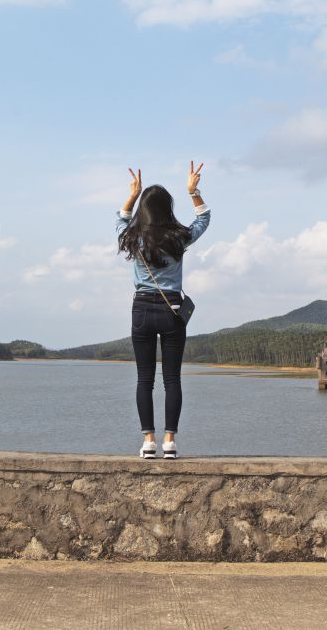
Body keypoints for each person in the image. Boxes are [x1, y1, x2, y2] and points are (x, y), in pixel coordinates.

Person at [116, 161, 210, 459]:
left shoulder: (133, 238)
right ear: (168, 209)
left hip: (142, 308)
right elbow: (203, 219)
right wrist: (193, 192)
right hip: (172, 309)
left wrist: (133, 195)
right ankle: (170, 442)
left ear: (144, 210)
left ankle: (149, 442)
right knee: (172, 379)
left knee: (145, 379)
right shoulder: (178, 237)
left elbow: (120, 220)